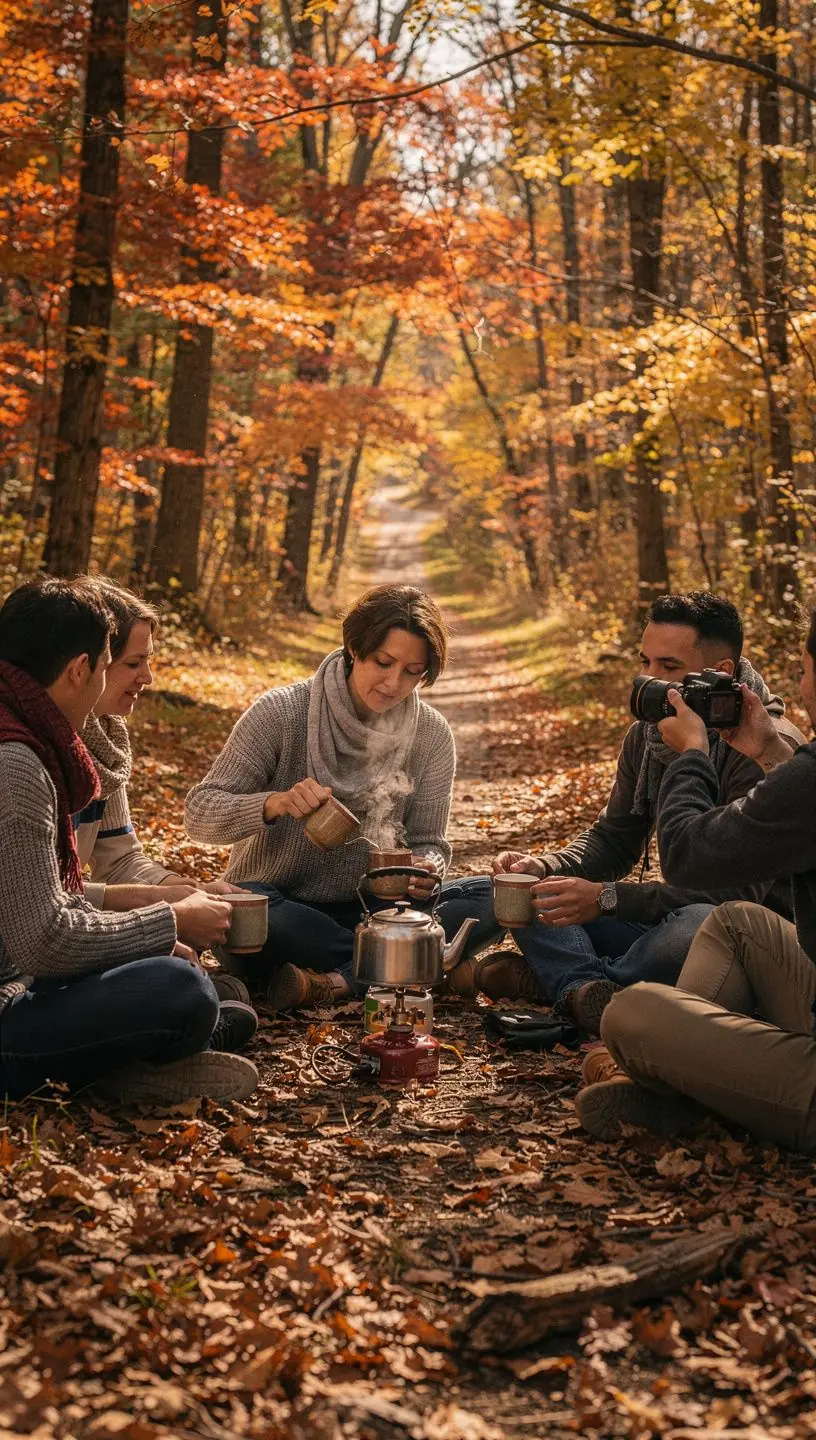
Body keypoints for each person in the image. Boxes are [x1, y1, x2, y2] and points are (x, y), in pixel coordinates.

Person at [477, 592, 803, 1033]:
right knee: (529, 894)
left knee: (697, 925)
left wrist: (607, 899)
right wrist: (546, 865)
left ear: (719, 674)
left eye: (668, 668)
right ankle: (589, 987)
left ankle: (567, 981)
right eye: (645, 663)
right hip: (666, 915)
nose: (647, 681)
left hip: (750, 937)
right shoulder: (648, 738)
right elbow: (614, 840)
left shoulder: (765, 747)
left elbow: (734, 900)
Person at [0, 578, 258, 1105]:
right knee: (181, 991)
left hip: (21, 976)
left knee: (174, 976)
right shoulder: (18, 764)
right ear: (79, 669)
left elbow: (37, 902)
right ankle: (108, 1068)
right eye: (106, 666)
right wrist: (170, 920)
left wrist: (161, 903)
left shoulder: (35, 741)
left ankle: (113, 1055)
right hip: (12, 998)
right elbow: (42, 939)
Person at [576, 595, 816, 1150]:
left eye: (803, 670)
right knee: (736, 924)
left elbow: (689, 857)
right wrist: (766, 749)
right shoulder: (801, 772)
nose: (800, 688)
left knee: (631, 1012)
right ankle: (688, 1089)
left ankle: (679, 1093)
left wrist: (693, 754)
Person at [185, 584, 494, 1009]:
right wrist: (273, 804)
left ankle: (342, 978)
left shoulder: (431, 734)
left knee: (494, 895)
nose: (393, 683)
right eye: (383, 663)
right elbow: (199, 813)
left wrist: (428, 866)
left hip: (375, 912)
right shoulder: (282, 713)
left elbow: (431, 841)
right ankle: (416, 966)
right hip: (280, 910)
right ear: (353, 647)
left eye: (412, 671)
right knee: (246, 910)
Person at [75, 578, 249, 1002]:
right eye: (134, 664)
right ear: (91, 665)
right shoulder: (31, 756)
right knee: (181, 987)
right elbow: (42, 910)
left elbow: (119, 861)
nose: (148, 677)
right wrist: (166, 908)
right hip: (43, 950)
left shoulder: (105, 744)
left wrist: (188, 889)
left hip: (75, 925)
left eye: (148, 662)